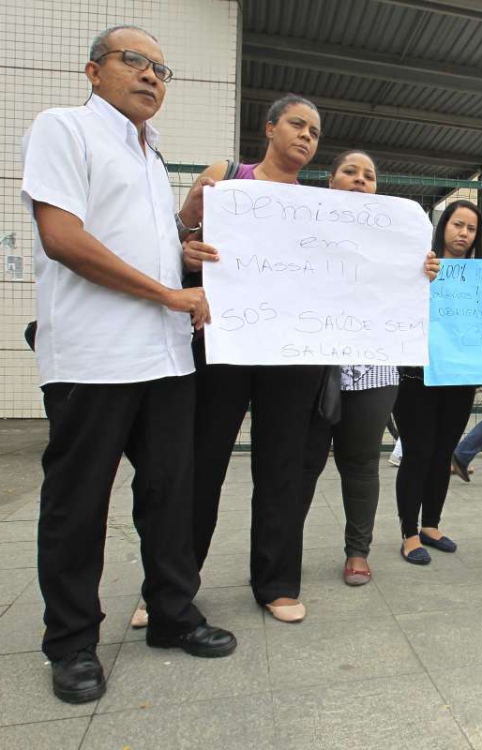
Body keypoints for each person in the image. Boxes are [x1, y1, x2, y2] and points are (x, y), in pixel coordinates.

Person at [21, 25, 236, 704]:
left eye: (161, 70)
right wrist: (169, 293)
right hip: (93, 356)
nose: (150, 76)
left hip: (164, 356)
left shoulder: (150, 154)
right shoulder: (65, 130)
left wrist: (182, 241)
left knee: (171, 494)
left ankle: (172, 614)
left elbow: (140, 245)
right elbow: (63, 238)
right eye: (134, 61)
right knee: (78, 502)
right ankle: (71, 642)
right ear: (94, 71)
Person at [179, 93, 326, 621]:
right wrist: (187, 245)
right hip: (223, 342)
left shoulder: (322, 208)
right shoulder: (226, 177)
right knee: (201, 462)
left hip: (290, 354)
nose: (306, 136)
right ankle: (172, 586)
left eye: (314, 132)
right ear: (269, 128)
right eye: (297, 124)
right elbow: (175, 239)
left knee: (282, 466)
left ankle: (277, 583)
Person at [302, 150, 440, 585]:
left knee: (361, 463)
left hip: (374, 369)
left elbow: (408, 293)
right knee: (301, 464)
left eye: (369, 176)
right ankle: (281, 552)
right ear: (331, 181)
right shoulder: (304, 225)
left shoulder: (397, 238)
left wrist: (424, 273)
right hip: (311, 367)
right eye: (350, 172)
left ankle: (357, 551)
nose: (361, 180)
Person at [394, 200, 482, 564]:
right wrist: (419, 280)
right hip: (417, 376)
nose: (463, 233)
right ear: (443, 226)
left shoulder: (481, 276)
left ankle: (431, 525)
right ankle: (409, 533)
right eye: (457, 225)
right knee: (417, 452)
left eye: (471, 229)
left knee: (443, 452)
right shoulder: (419, 265)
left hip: (459, 378)